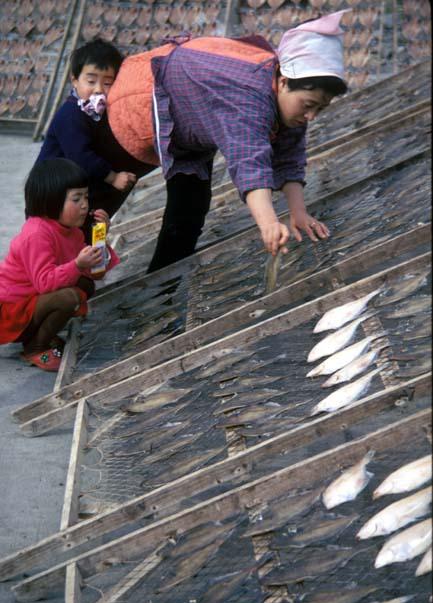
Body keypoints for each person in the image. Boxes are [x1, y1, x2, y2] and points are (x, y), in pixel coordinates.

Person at [105, 10, 349, 273]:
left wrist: (297, 211)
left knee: (192, 208)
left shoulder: (286, 99)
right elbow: (250, 161)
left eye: (319, 109)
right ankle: (160, 287)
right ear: (283, 81)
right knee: (180, 205)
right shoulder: (247, 98)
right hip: (137, 106)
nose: (311, 116)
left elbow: (289, 155)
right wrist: (268, 223)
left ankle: (165, 284)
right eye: (309, 105)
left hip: (193, 119)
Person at [0, 159, 120, 372]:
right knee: (69, 297)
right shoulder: (36, 234)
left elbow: (96, 273)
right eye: (76, 199)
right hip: (9, 312)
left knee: (85, 285)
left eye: (85, 196)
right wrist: (76, 265)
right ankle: (35, 348)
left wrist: (100, 237)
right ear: (51, 202)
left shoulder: (70, 230)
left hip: (29, 303)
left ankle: (39, 334)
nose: (85, 204)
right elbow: (45, 283)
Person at [36, 39, 146, 241]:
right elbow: (80, 156)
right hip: (52, 191)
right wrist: (113, 177)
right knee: (55, 238)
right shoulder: (70, 114)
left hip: (78, 189)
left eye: (107, 83)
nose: (98, 89)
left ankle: (93, 262)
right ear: (74, 80)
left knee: (94, 225)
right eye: (91, 81)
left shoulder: (102, 111)